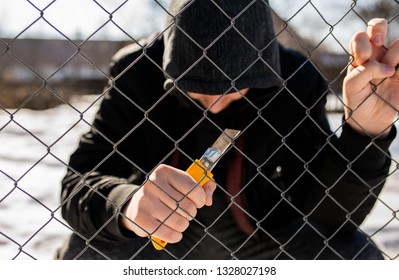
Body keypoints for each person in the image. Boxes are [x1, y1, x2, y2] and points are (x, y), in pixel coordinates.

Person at [56, 0, 399, 260]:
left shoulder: (296, 78)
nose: (216, 104)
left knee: (355, 254)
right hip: (157, 237)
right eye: (196, 87)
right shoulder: (136, 71)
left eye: (235, 87)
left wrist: (365, 136)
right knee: (80, 250)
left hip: (262, 236)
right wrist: (127, 205)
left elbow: (329, 221)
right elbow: (79, 183)